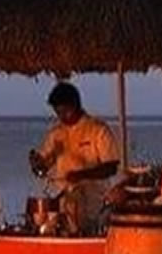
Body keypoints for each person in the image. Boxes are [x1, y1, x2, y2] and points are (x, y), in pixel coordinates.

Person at [27, 82, 120, 235]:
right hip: (64, 205)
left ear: (75, 105)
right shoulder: (56, 134)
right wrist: (37, 164)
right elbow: (42, 169)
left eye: (65, 112)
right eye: (58, 113)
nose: (61, 117)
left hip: (93, 202)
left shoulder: (98, 129)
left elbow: (111, 167)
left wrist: (81, 175)